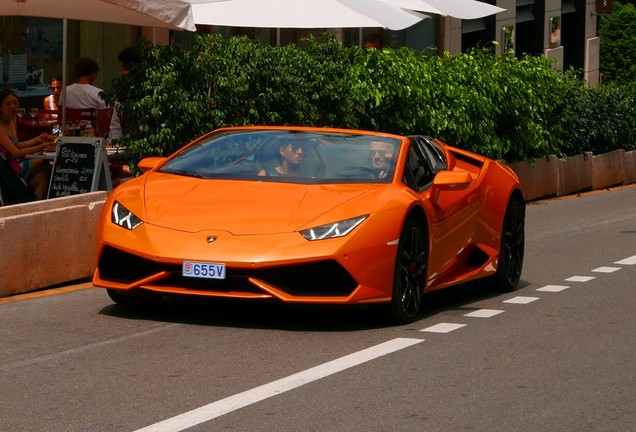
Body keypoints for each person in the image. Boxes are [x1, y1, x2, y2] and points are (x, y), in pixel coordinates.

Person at [0, 88, 57, 200]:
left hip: (14, 166)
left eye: (15, 102)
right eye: (8, 104)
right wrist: (42, 146)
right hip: (9, 170)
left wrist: (38, 139)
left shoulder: (12, 119)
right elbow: (16, 153)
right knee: (45, 162)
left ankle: (37, 208)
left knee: (43, 177)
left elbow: (16, 144)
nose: (13, 106)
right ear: (0, 107)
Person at [64, 57, 111, 121]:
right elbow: (104, 121)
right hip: (92, 129)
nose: (96, 77)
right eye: (96, 74)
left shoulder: (65, 92)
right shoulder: (99, 93)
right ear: (92, 73)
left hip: (70, 129)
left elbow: (61, 116)